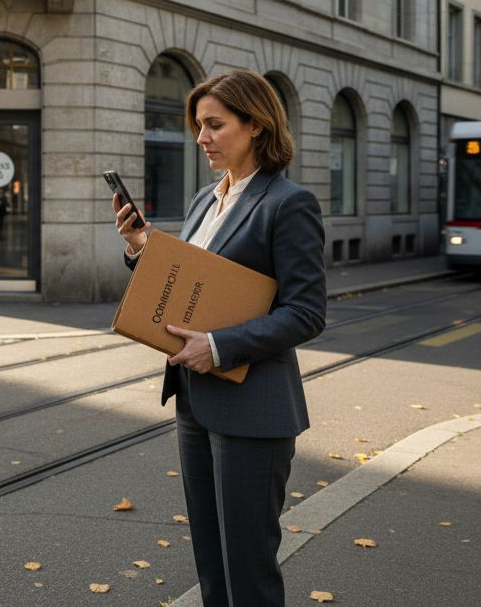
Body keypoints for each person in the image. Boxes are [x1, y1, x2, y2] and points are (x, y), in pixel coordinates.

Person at [113, 69, 326, 607]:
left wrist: (221, 345)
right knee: (211, 562)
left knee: (248, 572)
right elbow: (187, 289)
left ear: (255, 125)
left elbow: (306, 312)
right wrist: (143, 248)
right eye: (198, 125)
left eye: (214, 124)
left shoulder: (287, 203)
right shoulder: (204, 201)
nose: (200, 137)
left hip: (253, 409)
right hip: (194, 399)